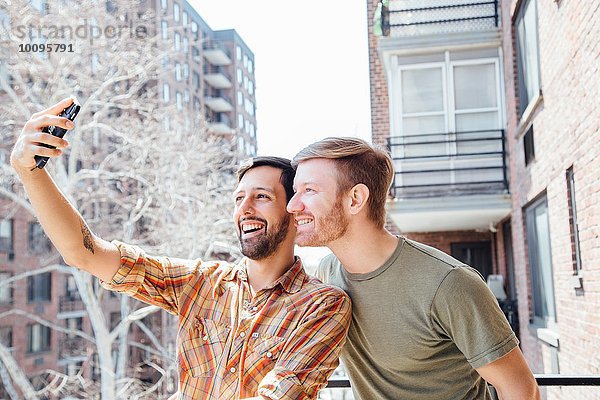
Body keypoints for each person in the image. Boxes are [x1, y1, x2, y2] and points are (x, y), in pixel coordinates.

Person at [10, 98, 352, 400]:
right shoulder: (201, 283)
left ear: (293, 211)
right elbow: (84, 253)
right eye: (238, 198)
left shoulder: (322, 305)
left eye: (262, 196)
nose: (245, 208)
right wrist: (30, 173)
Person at [287, 136, 541, 400]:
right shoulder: (329, 274)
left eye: (309, 190)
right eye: (295, 192)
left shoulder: (449, 283)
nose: (292, 205)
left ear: (355, 199)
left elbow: (521, 390)